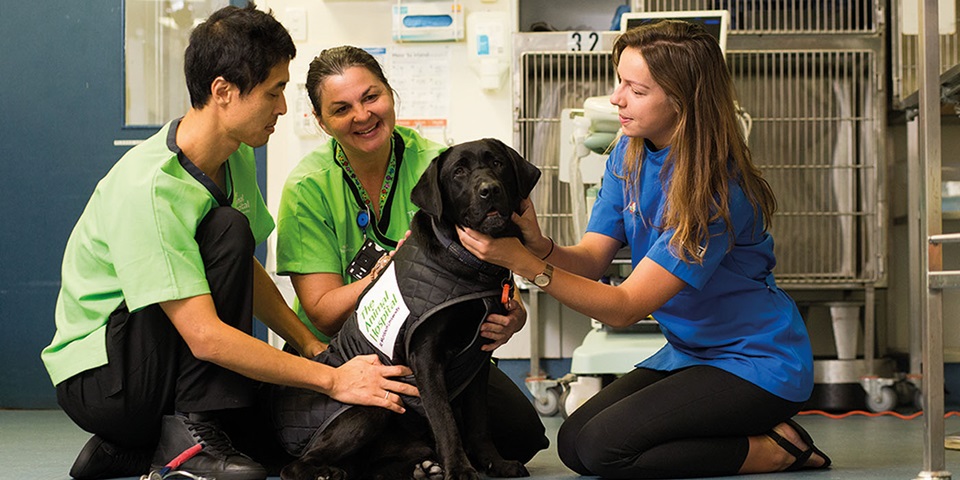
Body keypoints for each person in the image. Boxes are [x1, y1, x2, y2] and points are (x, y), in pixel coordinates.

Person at [41, 6, 417, 480]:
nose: (282, 107)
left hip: (148, 369)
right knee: (226, 231)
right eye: (273, 92)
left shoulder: (233, 158)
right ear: (223, 92)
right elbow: (203, 336)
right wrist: (334, 378)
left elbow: (243, 270)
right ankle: (187, 435)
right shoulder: (150, 187)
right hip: (102, 380)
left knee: (265, 430)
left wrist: (308, 345)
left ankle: (138, 448)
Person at [455, 20, 832, 479]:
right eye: (620, 82)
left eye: (636, 89)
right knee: (575, 441)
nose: (616, 98)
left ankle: (775, 449)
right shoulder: (627, 154)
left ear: (682, 101)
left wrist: (527, 265)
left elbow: (625, 308)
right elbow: (593, 259)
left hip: (757, 363)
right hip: (691, 354)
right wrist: (541, 245)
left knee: (603, 450)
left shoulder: (716, 194)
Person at [274, 45, 548, 464]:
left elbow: (487, 262)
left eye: (371, 97)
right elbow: (323, 314)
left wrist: (512, 314)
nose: (363, 115)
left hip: (438, 349)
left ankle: (414, 458)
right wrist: (384, 274)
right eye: (342, 108)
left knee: (521, 436)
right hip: (343, 355)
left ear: (390, 93)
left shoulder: (440, 167)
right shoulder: (308, 187)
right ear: (321, 122)